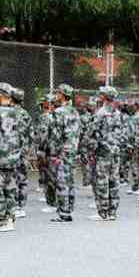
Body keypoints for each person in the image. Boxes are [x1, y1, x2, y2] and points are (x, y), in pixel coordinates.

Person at [0, 83, 23, 232]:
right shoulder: (18, 113)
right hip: (14, 155)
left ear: (1, 95)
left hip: (1, 155)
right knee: (11, 187)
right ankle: (10, 218)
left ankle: (0, 221)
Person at [88, 85, 124, 221]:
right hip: (115, 151)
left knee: (101, 181)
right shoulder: (118, 113)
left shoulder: (101, 113)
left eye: (101, 93)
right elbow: (121, 134)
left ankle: (103, 211)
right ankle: (113, 211)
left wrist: (90, 151)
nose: (99, 94)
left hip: (103, 152)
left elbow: (93, 133)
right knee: (114, 180)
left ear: (105, 96)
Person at [47, 84, 81, 223]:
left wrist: (54, 154)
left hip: (62, 150)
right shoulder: (74, 111)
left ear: (62, 95)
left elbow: (56, 135)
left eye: (58, 93)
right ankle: (69, 208)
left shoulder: (59, 111)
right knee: (70, 180)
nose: (56, 94)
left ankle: (63, 213)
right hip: (72, 149)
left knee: (61, 181)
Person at [10, 87, 32, 218]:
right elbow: (31, 133)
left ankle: (11, 205)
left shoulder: (8, 113)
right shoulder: (25, 114)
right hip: (23, 151)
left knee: (11, 178)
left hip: (11, 151)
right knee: (22, 178)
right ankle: (20, 206)